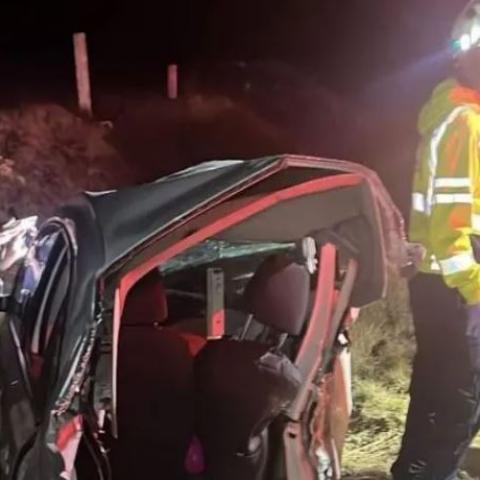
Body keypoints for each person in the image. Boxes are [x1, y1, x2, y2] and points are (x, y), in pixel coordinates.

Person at [392, 2, 480, 478]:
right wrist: (476, 294)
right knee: (457, 401)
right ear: (468, 56)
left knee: (438, 394)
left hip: (440, 281)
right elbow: (452, 228)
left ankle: (419, 471)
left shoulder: (459, 115)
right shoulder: (464, 122)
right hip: (453, 282)